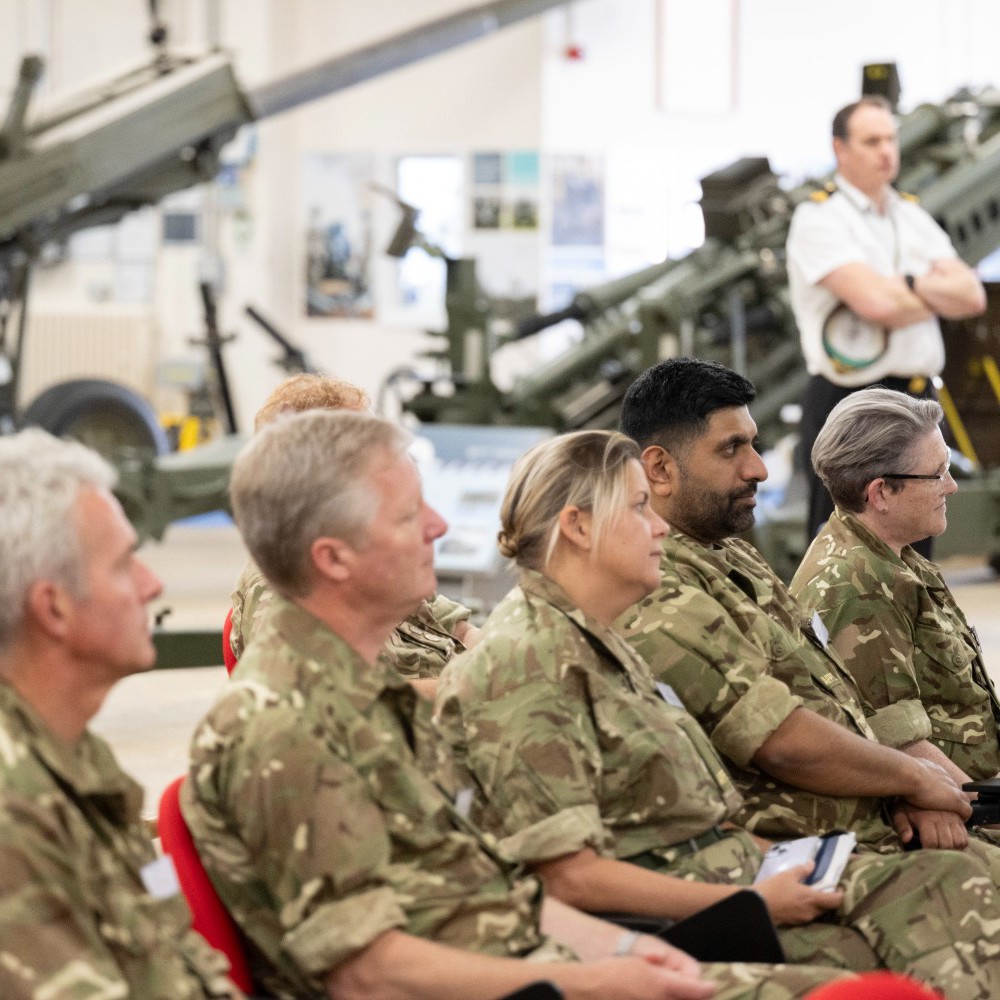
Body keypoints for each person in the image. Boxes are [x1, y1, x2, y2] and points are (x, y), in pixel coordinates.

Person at [186, 407, 811, 1000]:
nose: (438, 526)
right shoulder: (284, 726)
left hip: (544, 962)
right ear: (333, 558)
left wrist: (627, 950)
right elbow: (370, 975)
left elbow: (490, 888)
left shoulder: (363, 694)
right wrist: (596, 981)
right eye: (408, 516)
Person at [433, 429, 1000, 995]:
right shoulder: (528, 663)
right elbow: (569, 877)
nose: (658, 525)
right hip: (692, 914)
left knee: (951, 880)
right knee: (938, 916)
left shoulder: (593, 639)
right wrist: (752, 901)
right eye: (636, 509)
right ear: (578, 527)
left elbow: (688, 816)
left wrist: (812, 858)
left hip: (755, 870)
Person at [617, 358, 1000, 873]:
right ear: (660, 468)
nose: (760, 467)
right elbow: (785, 743)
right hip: (818, 846)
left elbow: (836, 708)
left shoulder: (732, 555)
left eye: (753, 443)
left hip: (879, 811)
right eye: (733, 448)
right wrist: (914, 782)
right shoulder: (662, 587)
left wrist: (907, 785)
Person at [0, 429, 241, 999]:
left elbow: (177, 957)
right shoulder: (15, 809)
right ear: (53, 607)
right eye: (124, 564)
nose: (152, 584)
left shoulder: (75, 756)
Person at [785, 94, 986, 546]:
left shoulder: (912, 215)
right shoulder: (819, 217)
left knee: (919, 545)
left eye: (891, 139)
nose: (886, 151)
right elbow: (875, 304)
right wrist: (928, 290)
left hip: (916, 401)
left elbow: (971, 296)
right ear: (840, 149)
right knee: (847, 547)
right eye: (871, 140)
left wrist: (902, 288)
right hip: (849, 404)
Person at [790, 388, 1000, 784]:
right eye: (938, 473)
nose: (951, 486)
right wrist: (984, 809)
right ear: (881, 492)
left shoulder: (889, 555)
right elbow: (901, 748)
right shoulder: (856, 590)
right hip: (956, 801)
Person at [229, 373, 478, 695]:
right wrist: (483, 688)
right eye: (363, 440)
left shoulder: (375, 558)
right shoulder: (285, 589)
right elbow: (338, 704)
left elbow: (460, 629)